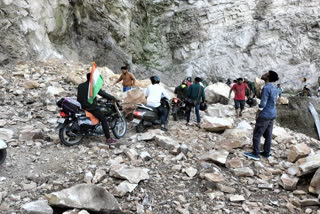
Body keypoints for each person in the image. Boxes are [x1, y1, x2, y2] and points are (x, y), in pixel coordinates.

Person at [243, 70, 279, 160]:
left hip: (265, 114)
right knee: (268, 135)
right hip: (272, 113)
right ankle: (266, 152)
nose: (264, 74)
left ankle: (255, 154)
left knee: (257, 134)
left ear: (268, 77)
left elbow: (263, 103)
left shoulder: (266, 88)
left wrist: (258, 111)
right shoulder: (275, 88)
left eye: (266, 74)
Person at [77, 73, 119, 144]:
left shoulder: (80, 86)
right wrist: (113, 98)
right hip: (91, 107)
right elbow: (103, 93)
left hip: (81, 106)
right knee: (103, 119)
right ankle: (108, 139)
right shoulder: (93, 87)